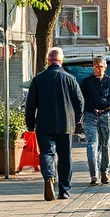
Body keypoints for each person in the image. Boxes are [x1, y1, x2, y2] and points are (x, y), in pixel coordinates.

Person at [25, 46, 83, 200]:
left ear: (48, 61)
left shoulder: (38, 79)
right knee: (65, 156)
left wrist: (30, 124)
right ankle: (64, 189)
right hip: (65, 124)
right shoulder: (70, 79)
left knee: (46, 152)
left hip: (44, 124)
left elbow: (30, 105)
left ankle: (49, 177)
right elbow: (79, 102)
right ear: (61, 60)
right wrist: (77, 120)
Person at [80, 56, 110, 186]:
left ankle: (104, 171)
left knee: (105, 144)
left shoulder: (109, 81)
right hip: (91, 115)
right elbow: (83, 100)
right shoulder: (87, 82)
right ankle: (94, 175)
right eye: (96, 66)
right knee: (92, 144)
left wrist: (106, 105)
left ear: (105, 67)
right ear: (93, 67)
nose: (98, 69)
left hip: (106, 115)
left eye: (101, 66)